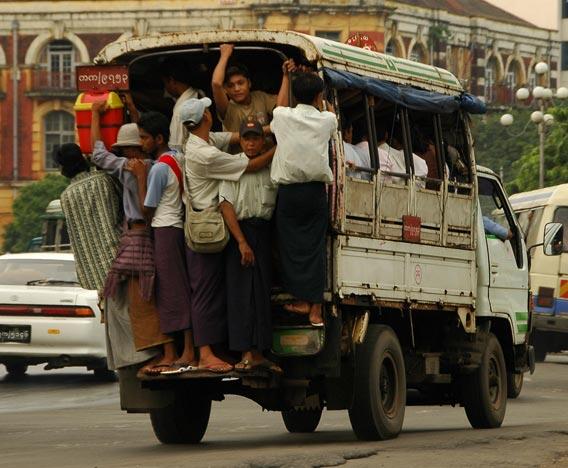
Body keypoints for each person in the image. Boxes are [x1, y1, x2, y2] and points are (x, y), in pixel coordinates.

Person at [182, 97, 276, 373]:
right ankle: (209, 353)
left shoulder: (207, 141)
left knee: (253, 293)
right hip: (214, 228)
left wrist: (271, 128)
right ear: (206, 117)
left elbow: (233, 136)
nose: (248, 143)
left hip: (245, 230)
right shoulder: (209, 155)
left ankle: (248, 351)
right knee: (212, 292)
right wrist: (280, 148)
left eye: (254, 139)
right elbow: (250, 169)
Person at [90, 101, 174, 375]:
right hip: (157, 234)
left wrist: (94, 116)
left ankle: (153, 352)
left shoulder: (130, 166)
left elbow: (98, 153)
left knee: (138, 300)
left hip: (137, 237)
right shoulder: (163, 162)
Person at [128, 111, 197, 374]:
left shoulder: (158, 168)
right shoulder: (177, 156)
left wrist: (140, 177)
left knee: (172, 292)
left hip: (164, 229)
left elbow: (147, 209)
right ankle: (185, 347)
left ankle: (185, 349)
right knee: (180, 287)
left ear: (157, 139)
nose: (141, 144)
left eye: (145, 138)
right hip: (178, 227)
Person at [270, 73, 337, 327]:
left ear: (294, 96)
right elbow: (331, 116)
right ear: (319, 97)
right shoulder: (327, 119)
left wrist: (285, 76)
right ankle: (316, 309)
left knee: (290, 247)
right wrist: (324, 104)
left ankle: (300, 299)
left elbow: (279, 105)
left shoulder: (282, 116)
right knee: (315, 248)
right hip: (314, 192)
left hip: (289, 193)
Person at [218, 120, 280, 373]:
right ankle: (245, 352)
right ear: (241, 141)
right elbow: (225, 204)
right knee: (241, 294)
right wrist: (242, 242)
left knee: (262, 292)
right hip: (240, 233)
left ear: (263, 141)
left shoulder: (270, 168)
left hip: (263, 232)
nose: (252, 143)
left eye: (256, 138)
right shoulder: (233, 166)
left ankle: (260, 352)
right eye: (247, 139)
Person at [56, 143, 121, 294]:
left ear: (64, 168)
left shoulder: (66, 196)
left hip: (96, 272)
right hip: (120, 258)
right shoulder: (105, 180)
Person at [211, 43, 295, 135]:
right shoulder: (227, 108)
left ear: (249, 83)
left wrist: (286, 75)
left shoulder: (260, 97)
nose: (236, 89)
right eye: (231, 86)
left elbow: (282, 110)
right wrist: (224, 55)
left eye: (240, 83)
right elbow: (216, 83)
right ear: (225, 90)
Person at [161, 58, 203, 153]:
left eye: (165, 84)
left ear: (171, 81)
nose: (165, 89)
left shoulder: (182, 108)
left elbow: (177, 147)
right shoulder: (199, 93)